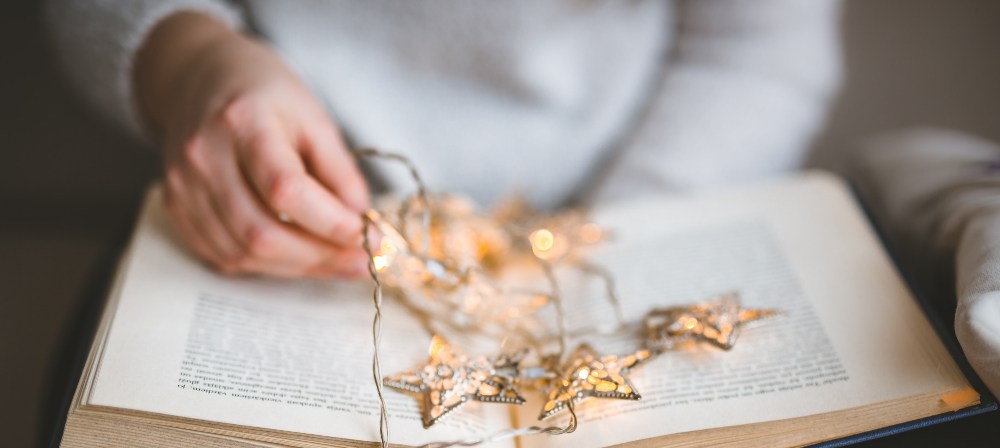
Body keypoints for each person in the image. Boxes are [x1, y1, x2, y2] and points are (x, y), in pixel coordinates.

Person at [46, 0, 843, 280]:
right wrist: (190, 61)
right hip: (268, 217)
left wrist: (612, 236)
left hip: (610, 223)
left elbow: (760, 52)